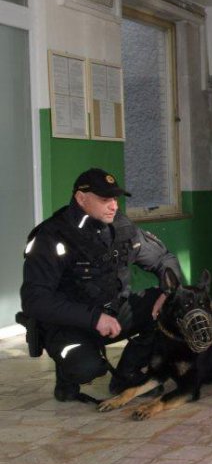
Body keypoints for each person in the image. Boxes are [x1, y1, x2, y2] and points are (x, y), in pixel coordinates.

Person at [19, 168, 183, 403]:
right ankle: (66, 377)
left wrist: (169, 291)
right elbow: (35, 300)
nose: (114, 206)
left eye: (115, 199)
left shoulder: (122, 228)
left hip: (114, 312)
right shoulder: (51, 236)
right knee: (87, 368)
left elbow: (163, 258)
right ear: (81, 198)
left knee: (173, 308)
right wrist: (94, 318)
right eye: (105, 199)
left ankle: (127, 375)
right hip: (70, 322)